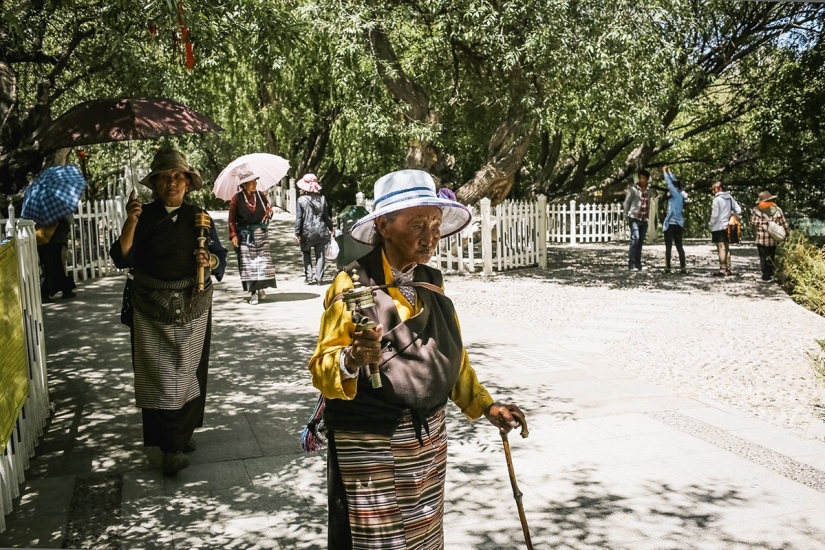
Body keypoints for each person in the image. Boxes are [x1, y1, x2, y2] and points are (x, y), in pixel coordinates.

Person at [308, 169, 526, 550]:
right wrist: (353, 358)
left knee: (425, 535)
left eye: (435, 225)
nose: (430, 238)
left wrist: (487, 406)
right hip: (371, 440)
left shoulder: (431, 282)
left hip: (428, 442)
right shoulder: (352, 285)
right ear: (384, 226)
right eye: (417, 225)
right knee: (380, 542)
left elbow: (452, 359)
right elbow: (322, 368)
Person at [109, 149, 227, 476]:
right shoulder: (142, 215)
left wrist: (210, 261)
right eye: (165, 177)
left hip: (193, 304)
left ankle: (181, 434)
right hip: (149, 306)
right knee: (158, 377)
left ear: (187, 184)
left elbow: (219, 257)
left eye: (178, 177)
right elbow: (122, 257)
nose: (172, 182)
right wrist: (131, 222)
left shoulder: (198, 216)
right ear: (156, 184)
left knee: (188, 372)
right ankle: (168, 447)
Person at [228, 169, 276, 304]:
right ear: (243, 184)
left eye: (255, 180)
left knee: (263, 263)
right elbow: (231, 219)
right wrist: (233, 236)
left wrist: (269, 213)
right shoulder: (236, 199)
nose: (255, 183)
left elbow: (268, 212)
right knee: (249, 265)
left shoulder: (260, 195)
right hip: (245, 235)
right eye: (251, 182)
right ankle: (253, 292)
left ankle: (261, 287)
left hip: (260, 233)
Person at [294, 173, 333, 285]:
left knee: (305, 252)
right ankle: (319, 279)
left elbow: (299, 218)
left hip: (306, 232)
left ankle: (309, 277)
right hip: (321, 231)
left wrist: (297, 232)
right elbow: (327, 217)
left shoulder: (301, 200)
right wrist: (331, 228)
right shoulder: (322, 199)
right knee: (320, 254)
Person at [750, 190, 789, 283]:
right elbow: (784, 224)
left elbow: (753, 223)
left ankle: (765, 276)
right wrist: (787, 234)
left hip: (761, 239)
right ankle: (770, 274)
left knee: (763, 257)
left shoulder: (757, 210)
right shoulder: (778, 210)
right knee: (771, 256)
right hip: (773, 239)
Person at [37, 215, 76, 302]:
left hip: (43, 239)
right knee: (56, 265)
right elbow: (69, 219)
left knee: (50, 265)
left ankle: (64, 289)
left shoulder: (39, 210)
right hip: (56, 238)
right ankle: (48, 292)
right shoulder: (57, 208)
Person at [708, 182, 742, 277]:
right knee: (726, 248)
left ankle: (722, 269)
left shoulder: (717, 200)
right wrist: (732, 216)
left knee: (721, 248)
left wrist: (711, 225)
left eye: (713, 189)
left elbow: (714, 215)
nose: (712, 191)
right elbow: (738, 210)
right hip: (728, 227)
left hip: (718, 226)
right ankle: (728, 268)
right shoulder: (729, 197)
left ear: (719, 189)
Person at [661, 166, 689, 274]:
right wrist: (670, 172)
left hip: (671, 225)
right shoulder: (680, 195)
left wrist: (664, 172)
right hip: (678, 224)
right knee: (679, 247)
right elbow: (674, 181)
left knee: (668, 248)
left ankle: (668, 268)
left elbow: (669, 183)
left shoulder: (676, 195)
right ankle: (683, 268)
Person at [623, 169, 651, 271]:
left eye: (644, 178)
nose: (641, 179)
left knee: (640, 242)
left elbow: (648, 203)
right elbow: (626, 203)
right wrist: (626, 215)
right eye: (640, 177)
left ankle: (638, 263)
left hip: (644, 219)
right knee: (635, 239)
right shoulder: (633, 189)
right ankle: (631, 264)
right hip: (634, 218)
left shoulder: (649, 190)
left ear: (647, 179)